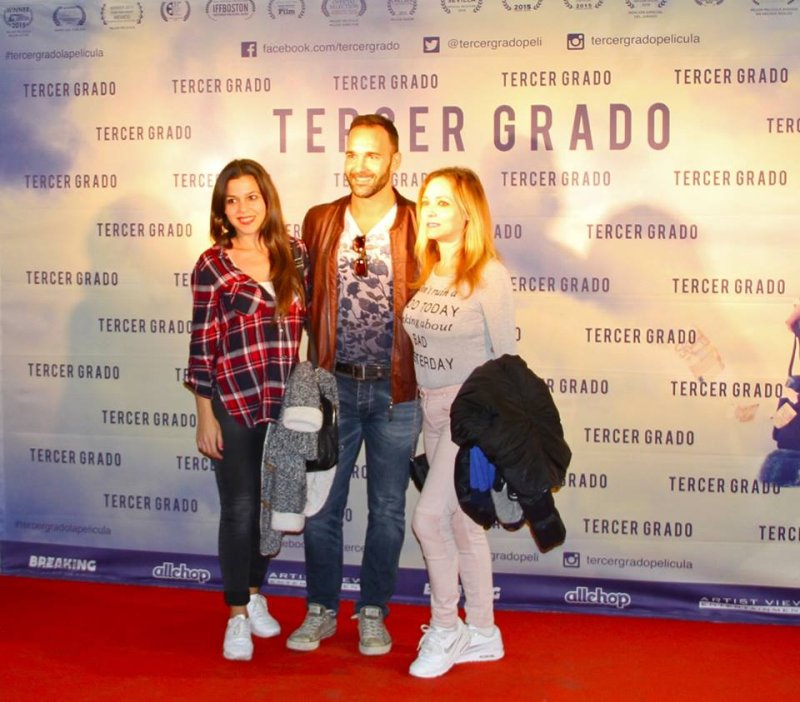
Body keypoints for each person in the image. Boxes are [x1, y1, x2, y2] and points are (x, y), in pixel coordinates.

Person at [286, 114, 421, 656]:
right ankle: (320, 608)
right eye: (351, 153)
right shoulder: (320, 220)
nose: (359, 166)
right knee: (320, 505)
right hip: (332, 388)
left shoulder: (419, 222)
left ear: (395, 161)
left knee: (387, 510)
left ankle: (372, 612)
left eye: (372, 154)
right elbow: (297, 298)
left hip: (396, 392)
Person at [185, 158, 308, 661]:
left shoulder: (296, 254)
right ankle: (237, 614)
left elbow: (315, 324)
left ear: (267, 199)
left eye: (251, 197)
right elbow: (202, 343)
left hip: (285, 404)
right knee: (239, 508)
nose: (243, 208)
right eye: (232, 200)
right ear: (222, 209)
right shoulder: (212, 265)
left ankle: (256, 594)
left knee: (272, 506)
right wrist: (204, 414)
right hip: (232, 400)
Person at [401, 167, 517, 678]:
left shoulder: (489, 275)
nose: (429, 211)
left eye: (443, 203)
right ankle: (485, 633)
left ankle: (447, 628)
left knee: (428, 519)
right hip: (430, 409)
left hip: (467, 414)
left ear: (468, 213)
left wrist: (496, 433)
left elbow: (507, 361)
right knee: (462, 524)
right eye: (426, 201)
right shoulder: (430, 270)